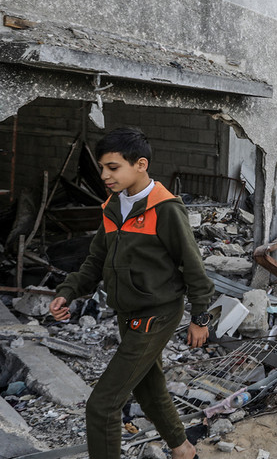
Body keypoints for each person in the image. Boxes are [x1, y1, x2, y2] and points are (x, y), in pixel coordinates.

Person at [48, 128, 214, 459]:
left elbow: (193, 266)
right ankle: (183, 450)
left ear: (140, 164)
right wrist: (68, 291)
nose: (105, 175)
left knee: (103, 405)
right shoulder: (112, 207)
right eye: (102, 168)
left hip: (158, 313)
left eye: (113, 167)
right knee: (148, 389)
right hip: (128, 313)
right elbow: (95, 260)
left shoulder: (165, 208)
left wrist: (200, 317)